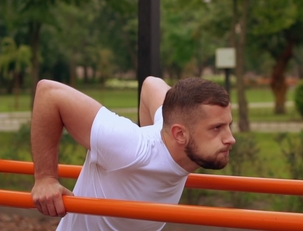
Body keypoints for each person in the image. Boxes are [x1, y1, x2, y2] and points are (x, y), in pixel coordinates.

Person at [30, 76, 235, 230]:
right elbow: (49, 93)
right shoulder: (130, 146)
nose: (230, 138)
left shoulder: (171, 128)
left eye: (229, 126)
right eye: (217, 128)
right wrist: (45, 178)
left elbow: (150, 84)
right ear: (180, 134)